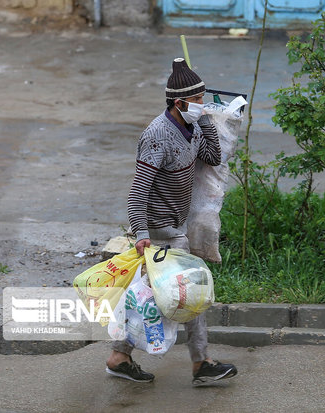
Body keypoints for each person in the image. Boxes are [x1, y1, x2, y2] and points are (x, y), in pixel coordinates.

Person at [105, 57, 237, 386]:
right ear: (178, 103)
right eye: (196, 101)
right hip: (161, 233)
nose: (201, 104)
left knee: (150, 298)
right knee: (191, 291)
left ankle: (119, 357)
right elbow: (137, 193)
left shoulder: (191, 127)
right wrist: (141, 235)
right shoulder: (157, 137)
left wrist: (206, 121)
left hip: (176, 227)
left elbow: (213, 158)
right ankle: (201, 362)